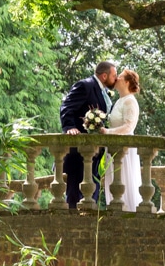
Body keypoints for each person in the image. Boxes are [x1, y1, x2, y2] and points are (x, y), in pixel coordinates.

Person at [59, 61, 116, 208]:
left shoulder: (102, 91)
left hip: (94, 151)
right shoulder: (85, 85)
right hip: (78, 152)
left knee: (91, 190)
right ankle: (72, 224)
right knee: (74, 191)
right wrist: (69, 127)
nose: (115, 79)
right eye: (114, 76)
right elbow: (66, 106)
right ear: (104, 76)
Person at [102, 69, 144, 212]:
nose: (116, 79)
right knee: (114, 179)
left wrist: (107, 132)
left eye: (119, 77)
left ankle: (128, 212)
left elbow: (128, 126)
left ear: (126, 82)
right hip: (113, 147)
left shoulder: (130, 101)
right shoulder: (120, 101)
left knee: (124, 180)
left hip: (124, 149)